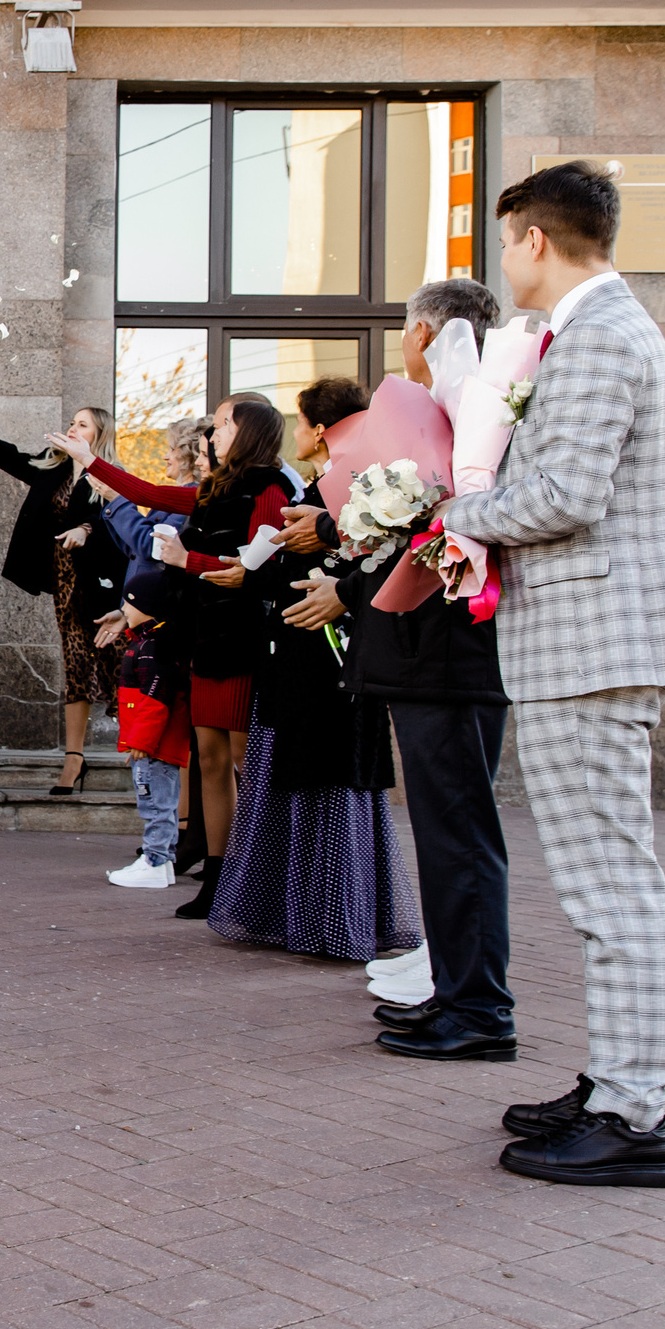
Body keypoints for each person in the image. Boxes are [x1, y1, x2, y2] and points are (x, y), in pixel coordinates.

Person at [441, 162, 665, 1189]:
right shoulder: (592, 330)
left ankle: (635, 1117)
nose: (502, 257)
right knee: (602, 884)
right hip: (586, 644)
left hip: (595, 646)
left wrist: (447, 510)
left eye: (504, 240)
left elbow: (564, 493)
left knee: (611, 889)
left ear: (533, 240)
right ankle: (611, 1085)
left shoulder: (600, 334)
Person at [279, 278, 515, 1056]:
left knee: (460, 835)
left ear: (422, 332)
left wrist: (348, 577)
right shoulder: (449, 412)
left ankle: (478, 1011)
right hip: (427, 658)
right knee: (446, 835)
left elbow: (440, 526)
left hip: (448, 655)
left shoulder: (479, 414)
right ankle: (457, 992)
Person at [205, 376, 420, 962]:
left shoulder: (349, 481)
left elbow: (352, 559)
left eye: (300, 422)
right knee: (308, 776)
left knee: (322, 777)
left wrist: (315, 573)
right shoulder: (347, 478)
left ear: (320, 430)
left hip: (321, 655)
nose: (295, 434)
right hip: (306, 648)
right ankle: (314, 914)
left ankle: (330, 919)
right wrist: (255, 572)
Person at [62, 398, 295, 921]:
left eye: (223, 425)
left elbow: (264, 568)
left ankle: (259, 876)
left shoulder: (269, 488)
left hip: (243, 637)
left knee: (243, 762)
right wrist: (90, 459)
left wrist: (191, 560)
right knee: (209, 762)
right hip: (205, 636)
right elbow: (148, 493)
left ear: (249, 432)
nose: (213, 434)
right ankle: (215, 879)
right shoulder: (214, 488)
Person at [0, 402, 127, 794]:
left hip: (104, 587)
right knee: (75, 665)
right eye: (72, 422)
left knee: (116, 665)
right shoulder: (52, 467)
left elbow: (120, 523)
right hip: (66, 585)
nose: (72, 428)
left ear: (99, 435)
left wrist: (86, 529)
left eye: (82, 425)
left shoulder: (112, 476)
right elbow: (12, 458)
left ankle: (143, 751)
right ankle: (74, 759)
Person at [93, 415, 207, 888]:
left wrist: (117, 502)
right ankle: (163, 849)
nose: (165, 456)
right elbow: (135, 550)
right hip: (143, 616)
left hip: (162, 624)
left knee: (165, 775)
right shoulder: (172, 499)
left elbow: (152, 551)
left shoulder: (188, 503)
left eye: (172, 449)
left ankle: (163, 853)